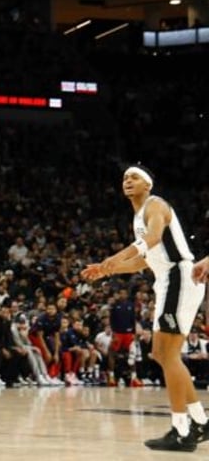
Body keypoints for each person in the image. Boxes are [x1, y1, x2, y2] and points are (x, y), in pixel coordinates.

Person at [82, 164, 208, 451]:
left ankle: (181, 429)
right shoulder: (138, 215)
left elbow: (150, 239)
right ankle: (199, 421)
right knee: (161, 354)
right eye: (125, 177)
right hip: (167, 279)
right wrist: (108, 270)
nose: (128, 181)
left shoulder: (156, 206)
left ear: (147, 185)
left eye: (134, 177)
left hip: (178, 276)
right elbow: (145, 260)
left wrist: (117, 255)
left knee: (168, 354)